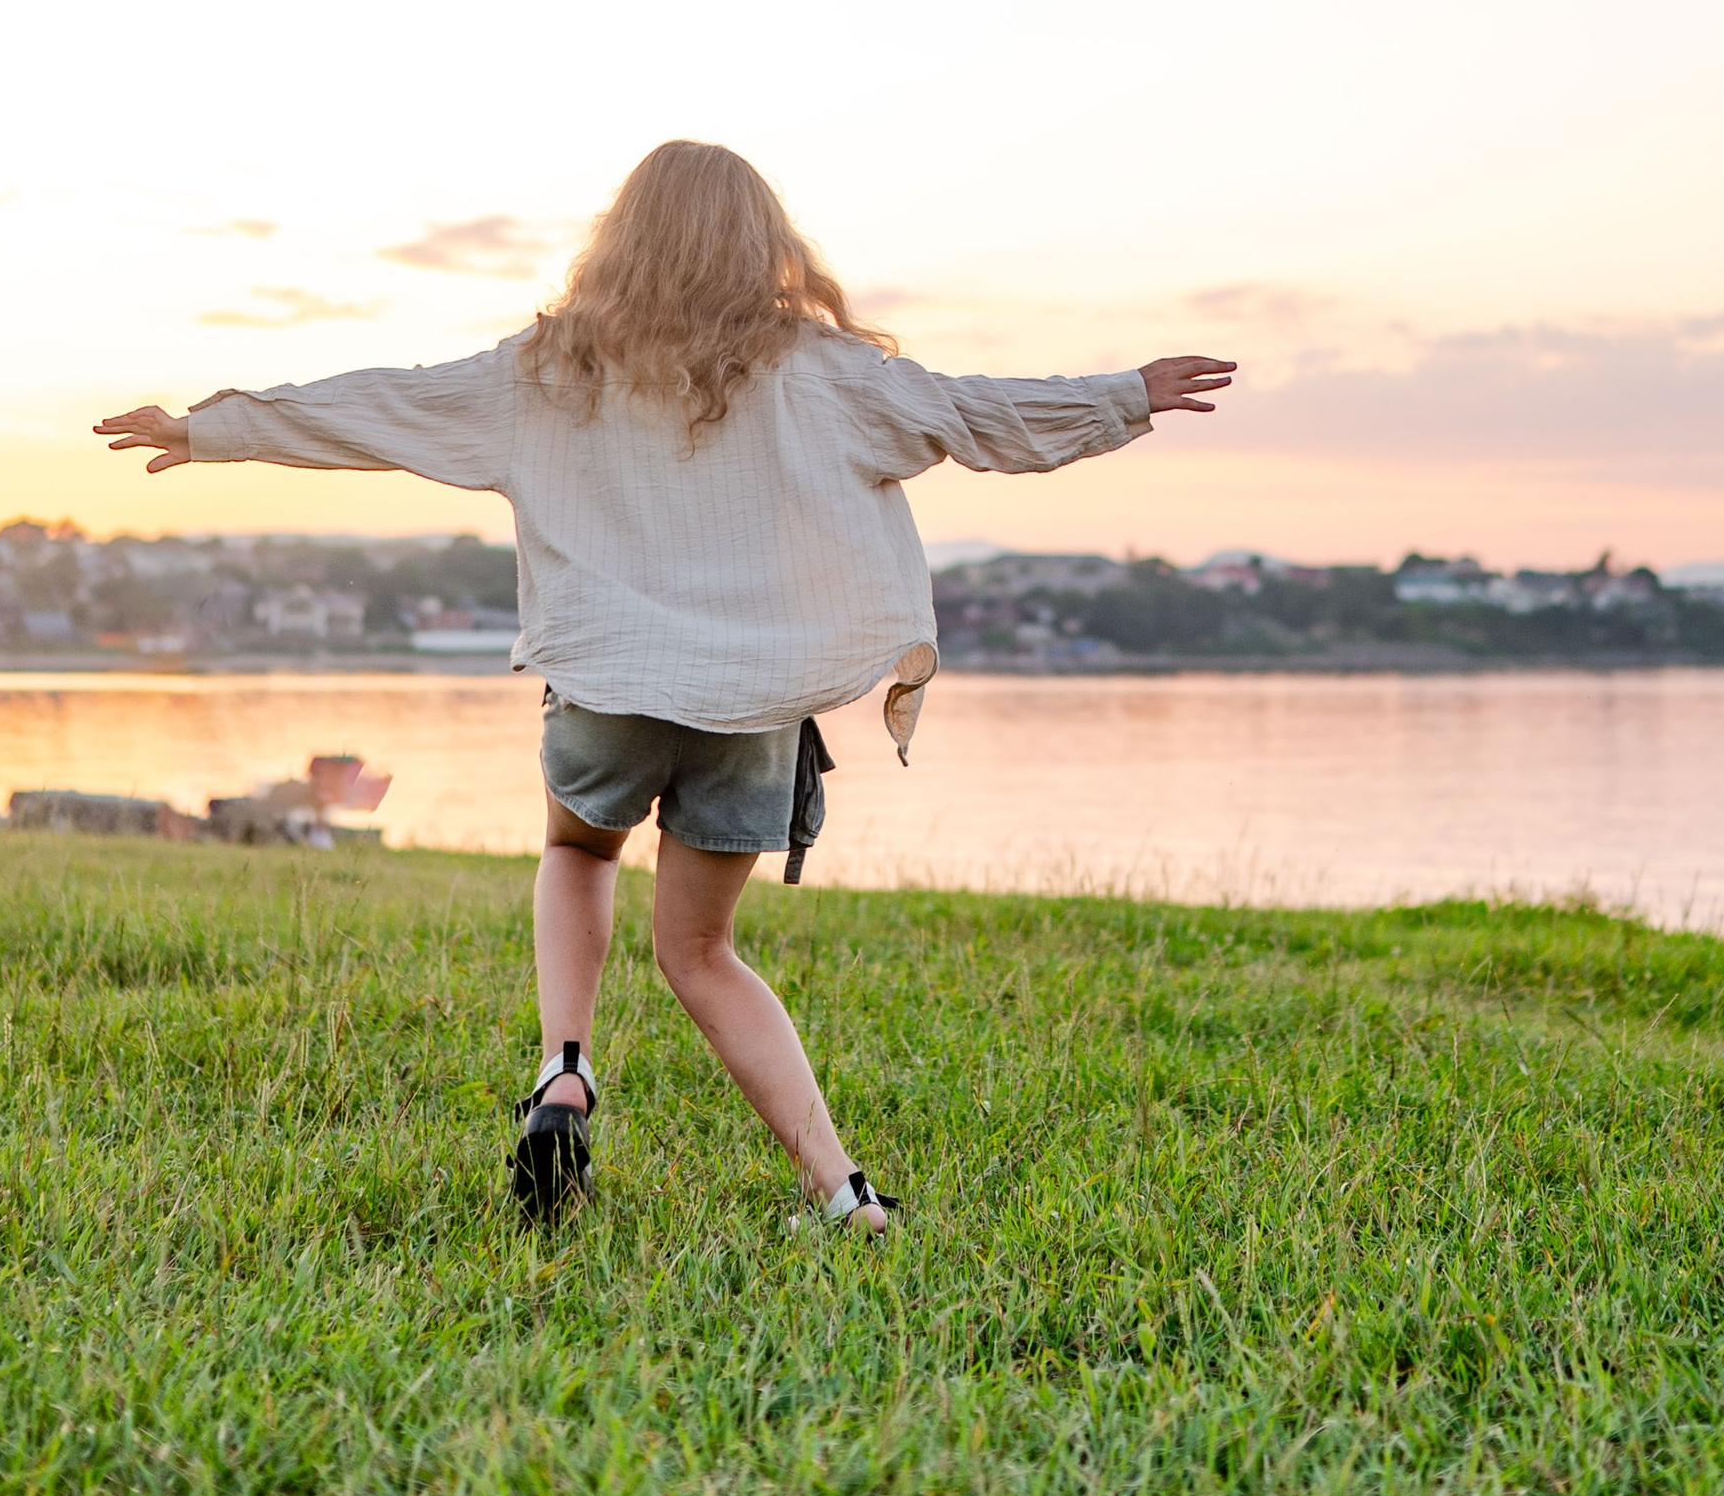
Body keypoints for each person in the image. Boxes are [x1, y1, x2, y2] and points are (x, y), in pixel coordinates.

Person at [97, 140, 1233, 1239]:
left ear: (620, 239)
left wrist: (210, 428)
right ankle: (844, 1196)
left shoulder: (545, 369)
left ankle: (566, 1067)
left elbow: (383, 404)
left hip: (606, 685)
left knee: (577, 852)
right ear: (764, 243)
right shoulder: (826, 374)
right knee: (701, 954)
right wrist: (1126, 392)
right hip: (751, 707)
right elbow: (981, 413)